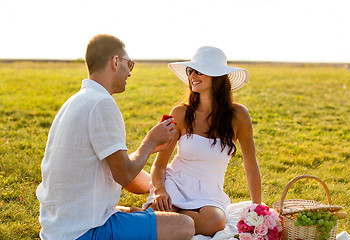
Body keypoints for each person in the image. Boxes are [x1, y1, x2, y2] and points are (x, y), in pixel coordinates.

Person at [36, 34, 195, 240]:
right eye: (130, 64)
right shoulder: (102, 104)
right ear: (115, 61)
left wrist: (160, 186)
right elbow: (124, 175)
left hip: (59, 226)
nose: (130, 72)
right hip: (85, 231)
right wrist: (150, 141)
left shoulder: (77, 100)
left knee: (140, 213)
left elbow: (123, 174)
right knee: (184, 225)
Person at [143, 46, 262, 236]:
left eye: (199, 71)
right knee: (161, 212)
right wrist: (159, 191)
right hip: (175, 184)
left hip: (209, 193)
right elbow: (160, 166)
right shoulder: (180, 113)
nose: (192, 76)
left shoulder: (239, 115)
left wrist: (258, 208)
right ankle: (159, 217)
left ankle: (167, 219)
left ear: (217, 76)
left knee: (214, 222)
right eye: (191, 71)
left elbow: (250, 165)